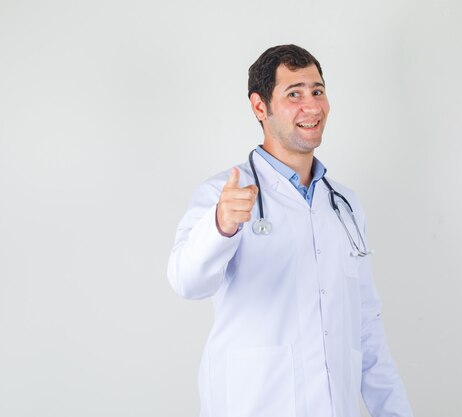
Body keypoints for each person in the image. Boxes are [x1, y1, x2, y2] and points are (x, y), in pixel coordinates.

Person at [167, 44, 414, 417]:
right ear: (259, 107)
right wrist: (221, 227)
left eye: (317, 91)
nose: (312, 106)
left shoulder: (344, 206)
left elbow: (367, 328)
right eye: (294, 94)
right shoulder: (223, 194)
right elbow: (187, 282)